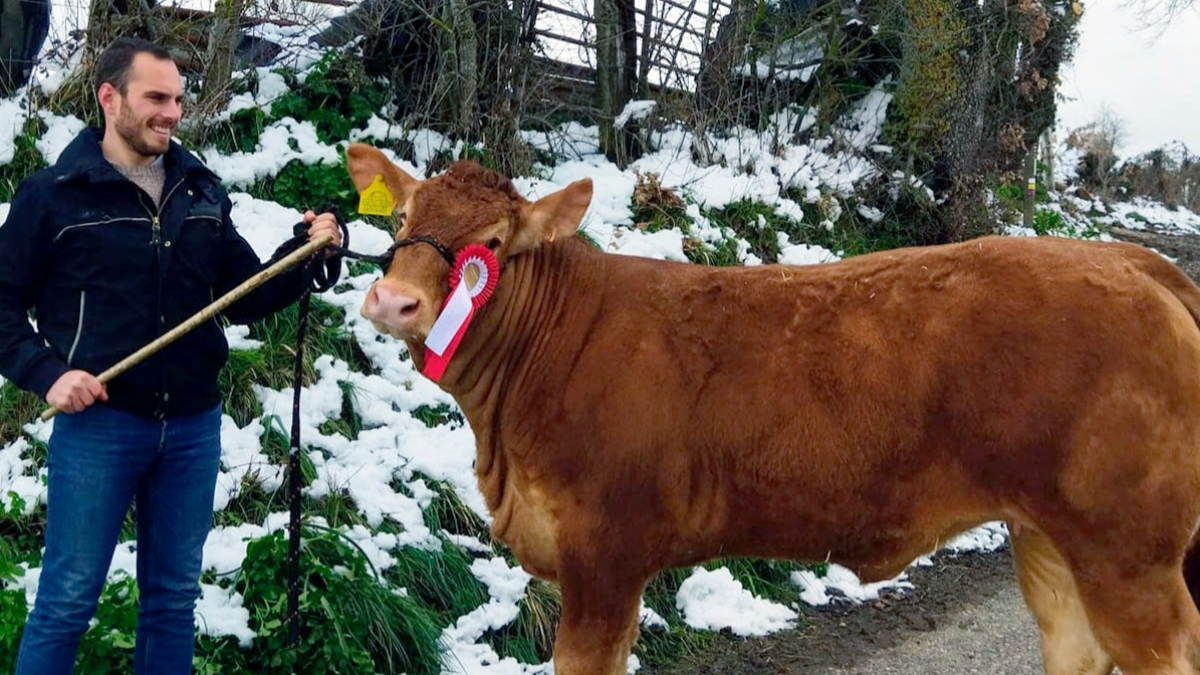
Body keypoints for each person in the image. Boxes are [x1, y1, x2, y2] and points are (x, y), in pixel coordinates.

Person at [0, 37, 343, 674]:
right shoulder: (54, 196)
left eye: (179, 100)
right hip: (100, 427)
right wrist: (47, 374)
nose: (172, 113)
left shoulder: (200, 191)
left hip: (190, 428)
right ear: (110, 98)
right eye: (156, 97)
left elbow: (241, 298)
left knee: (171, 603)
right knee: (67, 603)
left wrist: (307, 251)